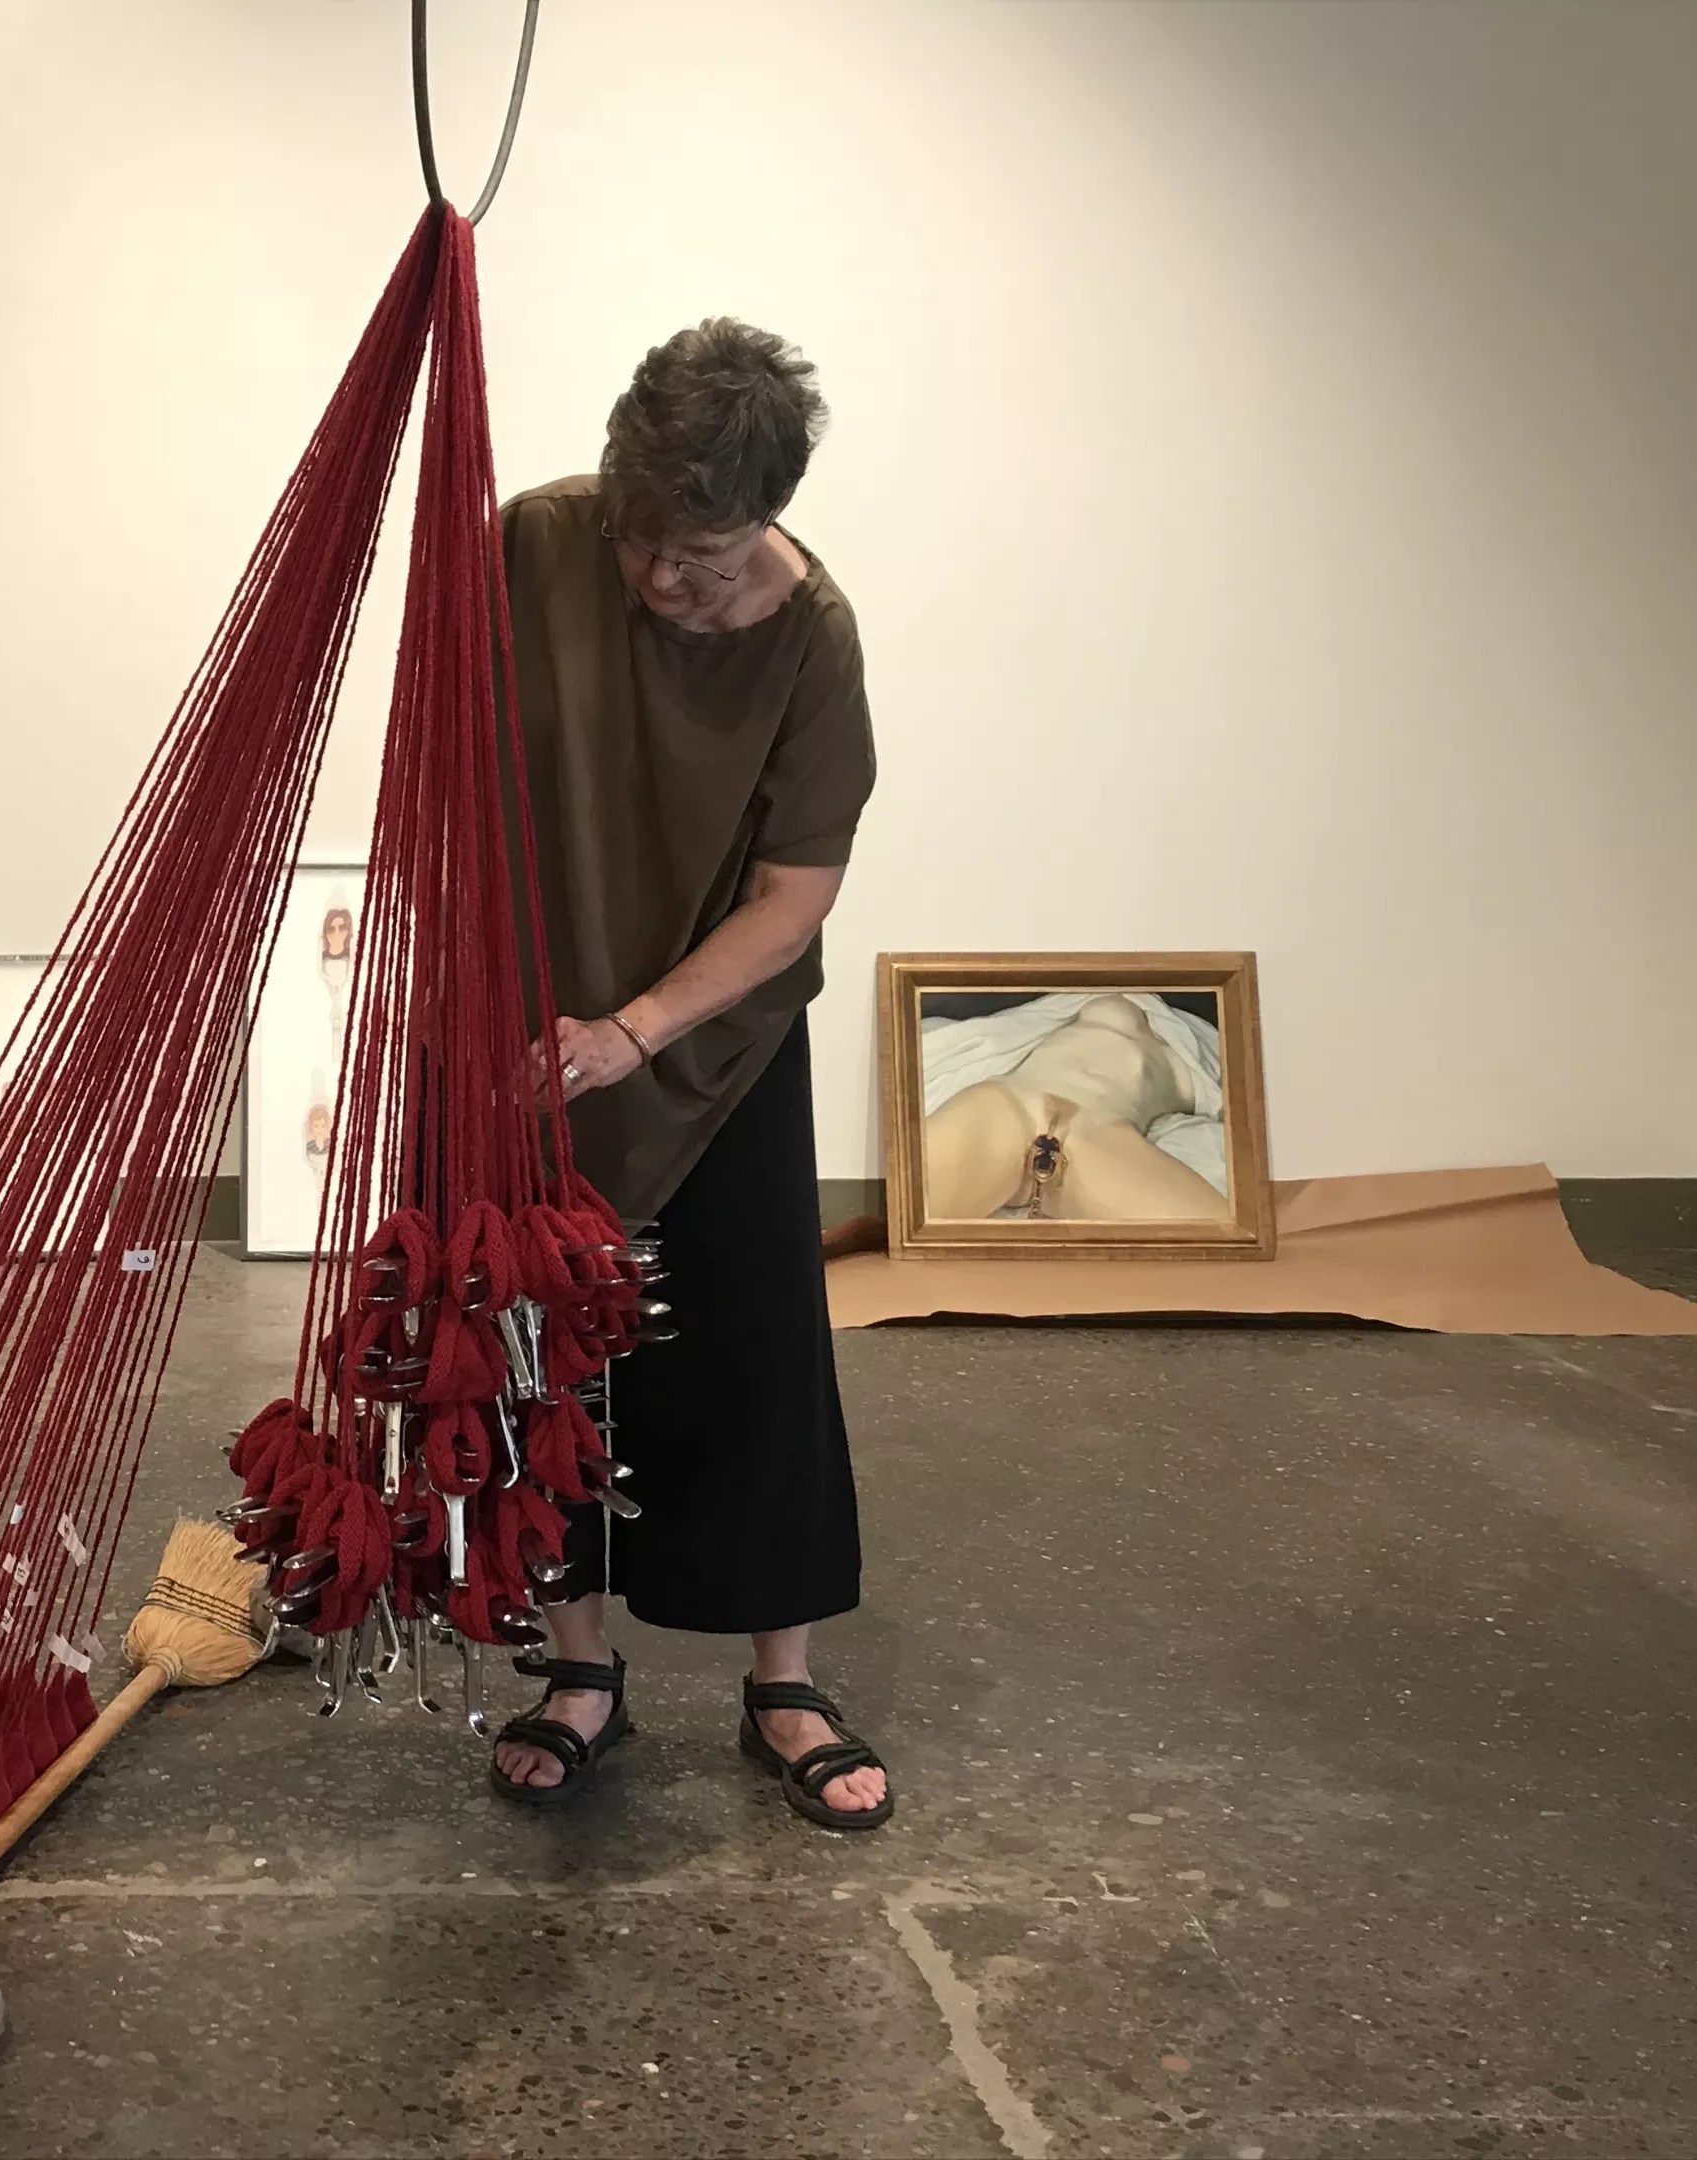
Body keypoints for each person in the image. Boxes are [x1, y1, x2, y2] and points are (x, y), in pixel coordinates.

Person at [487, 319, 889, 1830]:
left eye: (702, 555)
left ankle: (785, 1681)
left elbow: (795, 894)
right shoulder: (535, 543)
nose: (663, 577)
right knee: (541, 1341)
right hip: (536, 1028)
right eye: (642, 537)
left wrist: (639, 1029)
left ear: (768, 514)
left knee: (752, 1347)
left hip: (719, 1038)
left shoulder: (813, 637)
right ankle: (578, 1665)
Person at [924, 996, 1225, 1221]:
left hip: (1086, 1132)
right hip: (1024, 1112)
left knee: (1236, 1257)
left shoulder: (1211, 1054)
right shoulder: (1069, 1003)